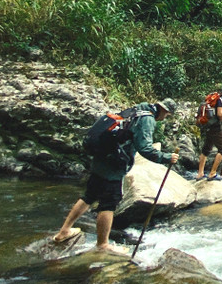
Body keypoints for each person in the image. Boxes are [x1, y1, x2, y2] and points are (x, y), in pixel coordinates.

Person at [52, 98, 179, 254]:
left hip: (101, 157)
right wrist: (166, 158)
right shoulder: (147, 119)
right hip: (113, 164)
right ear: (164, 110)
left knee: (89, 195)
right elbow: (145, 148)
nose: (165, 118)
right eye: (167, 115)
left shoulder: (136, 108)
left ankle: (64, 231)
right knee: (109, 202)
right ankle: (102, 245)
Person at [197, 82, 222, 181]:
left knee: (206, 149)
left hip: (207, 126)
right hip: (215, 127)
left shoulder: (217, 98)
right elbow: (219, 114)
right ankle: (212, 173)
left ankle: (200, 174)